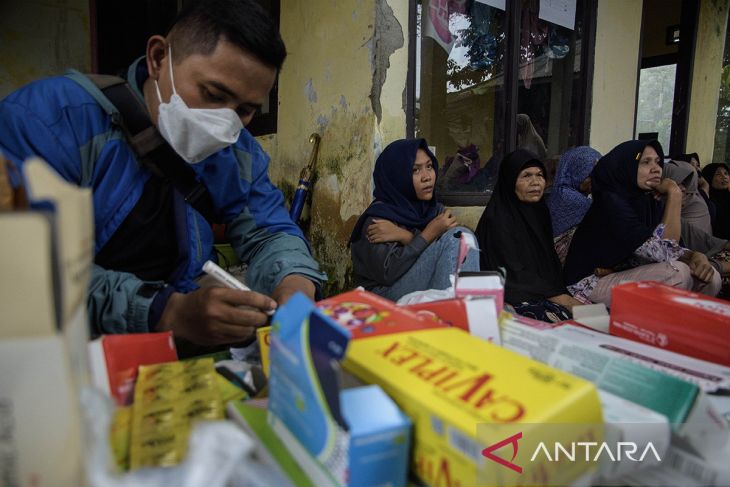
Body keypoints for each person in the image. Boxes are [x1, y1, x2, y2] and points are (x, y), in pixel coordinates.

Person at [0, 0, 325, 346]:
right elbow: (24, 269)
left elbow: (271, 232)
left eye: (245, 110)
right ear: (158, 58)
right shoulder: (50, 121)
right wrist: (165, 311)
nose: (226, 124)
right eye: (213, 94)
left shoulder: (238, 154)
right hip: (63, 352)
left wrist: (295, 285)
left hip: (175, 344)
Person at [564, 140, 721, 307]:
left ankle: (681, 328)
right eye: (645, 162)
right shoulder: (610, 201)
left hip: (625, 274)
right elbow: (663, 251)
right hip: (590, 283)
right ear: (626, 167)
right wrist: (674, 194)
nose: (656, 168)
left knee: (710, 278)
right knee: (678, 274)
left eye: (658, 162)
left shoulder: (649, 200)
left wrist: (696, 256)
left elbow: (673, 249)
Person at [350, 138, 479, 301]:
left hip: (416, 288)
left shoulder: (433, 210)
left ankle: (466, 311)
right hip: (382, 295)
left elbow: (446, 255)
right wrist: (427, 234)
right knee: (458, 238)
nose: (427, 177)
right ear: (397, 175)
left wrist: (407, 236)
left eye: (429, 166)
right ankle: (455, 315)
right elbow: (388, 274)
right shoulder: (379, 218)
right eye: (415, 170)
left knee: (463, 238)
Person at [475, 149, 582, 322]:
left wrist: (560, 293)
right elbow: (511, 273)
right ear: (510, 181)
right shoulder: (497, 218)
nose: (536, 182)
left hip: (542, 290)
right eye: (526, 176)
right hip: (509, 293)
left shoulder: (540, 212)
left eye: (539, 175)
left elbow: (548, 262)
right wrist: (560, 297)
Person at [664, 159, 730, 277]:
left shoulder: (695, 198)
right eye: (677, 183)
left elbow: (706, 239)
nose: (684, 189)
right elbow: (667, 252)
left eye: (726, 173)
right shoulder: (656, 216)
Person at [546, 146, 601, 263]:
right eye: (591, 176)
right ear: (577, 172)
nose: (595, 181)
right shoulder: (569, 197)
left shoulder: (560, 190)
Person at [701, 162, 730, 240]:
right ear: (709, 177)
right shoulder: (705, 200)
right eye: (718, 174)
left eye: (726, 173)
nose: (724, 177)